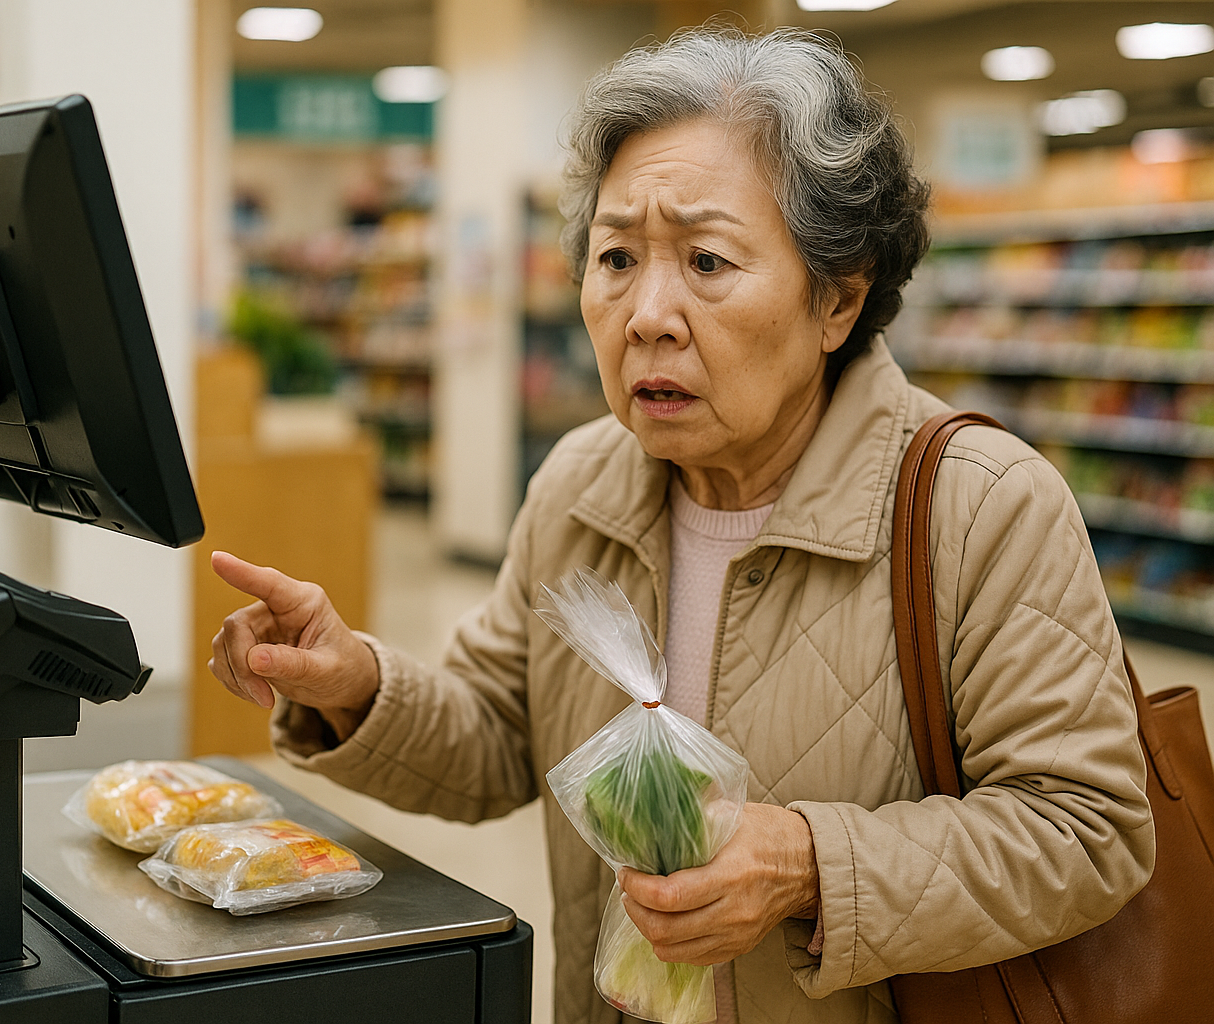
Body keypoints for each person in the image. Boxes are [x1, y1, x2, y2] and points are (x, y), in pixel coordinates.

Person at [208, 26, 1153, 1024]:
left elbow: (1087, 830)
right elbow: (497, 736)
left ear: (838, 296)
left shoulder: (982, 505)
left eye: (706, 260)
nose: (647, 311)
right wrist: (358, 684)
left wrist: (803, 862)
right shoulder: (579, 484)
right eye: (615, 256)